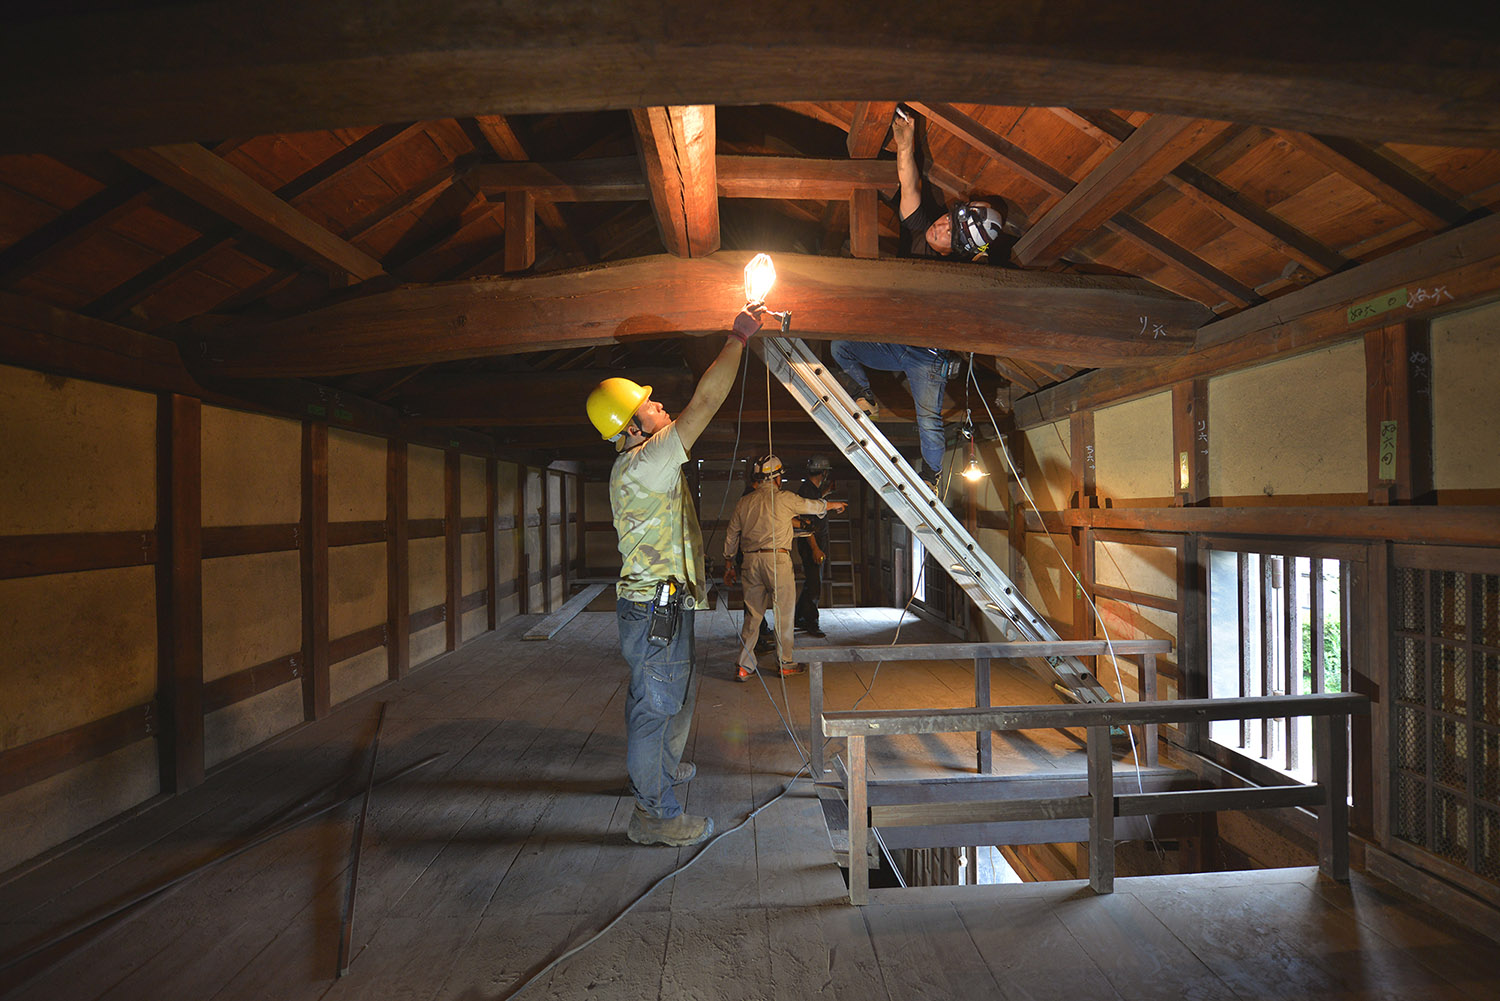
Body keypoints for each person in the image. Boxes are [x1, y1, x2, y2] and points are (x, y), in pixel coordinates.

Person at [585, 305, 765, 848]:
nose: (660, 405)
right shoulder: (647, 460)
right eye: (649, 405)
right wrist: (738, 337)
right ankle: (653, 814)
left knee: (671, 698)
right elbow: (705, 403)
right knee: (657, 706)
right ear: (631, 427)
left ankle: (660, 772)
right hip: (655, 608)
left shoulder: (639, 462)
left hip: (664, 603)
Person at [828, 105, 1002, 488]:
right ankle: (865, 395)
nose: (940, 226)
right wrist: (905, 144)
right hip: (896, 342)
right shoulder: (923, 227)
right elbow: (910, 186)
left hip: (929, 357)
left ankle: (932, 477)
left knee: (929, 422)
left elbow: (985, 293)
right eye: (946, 219)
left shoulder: (965, 270)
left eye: (949, 231)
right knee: (841, 346)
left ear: (961, 248)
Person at [723, 455, 847, 682]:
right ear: (777, 478)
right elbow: (811, 506)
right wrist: (834, 505)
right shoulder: (784, 498)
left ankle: (744, 666)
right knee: (784, 613)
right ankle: (785, 663)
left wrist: (729, 564)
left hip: (750, 562)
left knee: (753, 616)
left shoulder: (744, 502)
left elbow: (732, 535)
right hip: (777, 561)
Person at [793, 455, 835, 638]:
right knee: (814, 585)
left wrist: (824, 494)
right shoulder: (808, 490)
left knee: (811, 581)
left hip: (814, 543)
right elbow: (806, 523)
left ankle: (799, 617)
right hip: (812, 544)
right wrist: (815, 548)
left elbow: (814, 507)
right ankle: (811, 622)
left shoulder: (811, 490)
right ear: (823, 473)